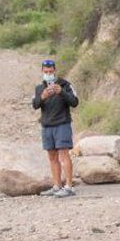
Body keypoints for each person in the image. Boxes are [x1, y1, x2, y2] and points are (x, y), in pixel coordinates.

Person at [32, 58, 80, 197]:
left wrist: (61, 92)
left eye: (51, 71)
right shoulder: (39, 88)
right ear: (42, 71)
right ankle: (57, 186)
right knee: (52, 157)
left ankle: (69, 187)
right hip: (47, 126)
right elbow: (35, 105)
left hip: (62, 124)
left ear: (55, 71)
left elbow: (75, 102)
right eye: (46, 72)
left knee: (64, 155)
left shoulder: (65, 84)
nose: (48, 74)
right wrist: (43, 96)